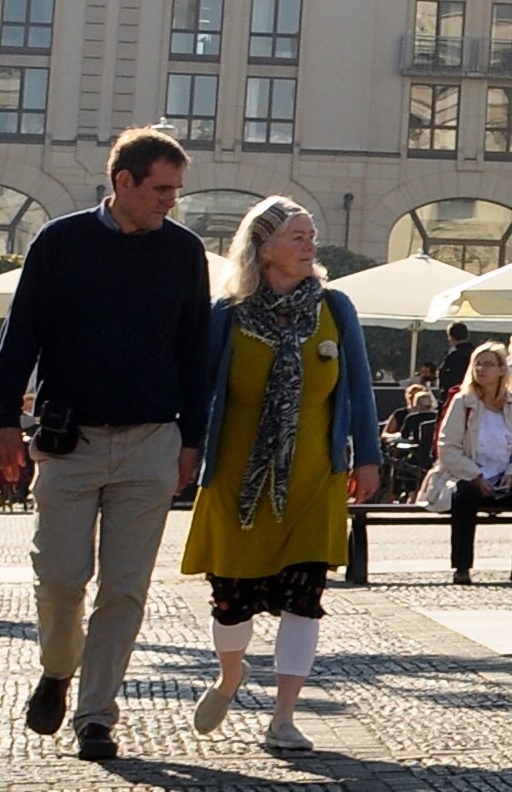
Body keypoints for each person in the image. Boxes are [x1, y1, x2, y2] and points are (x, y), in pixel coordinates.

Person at [0, 124, 212, 758]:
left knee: (124, 588)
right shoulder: (61, 242)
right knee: (59, 576)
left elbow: (197, 353)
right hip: (69, 440)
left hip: (152, 441)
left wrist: (192, 439)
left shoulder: (184, 252)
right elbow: (21, 330)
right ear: (124, 182)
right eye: (162, 189)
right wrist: (2, 414)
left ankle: (96, 715)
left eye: (176, 190)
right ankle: (58, 670)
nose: (172, 200)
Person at [179, 197, 381, 753]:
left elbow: (357, 389)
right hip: (235, 480)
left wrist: (368, 457)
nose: (310, 244)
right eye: (297, 236)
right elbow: (199, 394)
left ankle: (283, 717)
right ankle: (230, 674)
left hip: (314, 478)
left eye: (310, 234)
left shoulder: (336, 308)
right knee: (231, 598)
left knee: (304, 597)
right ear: (263, 247)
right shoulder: (228, 313)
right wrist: (188, 449)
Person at [434, 343, 512, 582]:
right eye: (477, 363)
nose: (481, 369)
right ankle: (462, 567)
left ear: (502, 370)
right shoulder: (463, 402)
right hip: (467, 475)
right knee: (465, 496)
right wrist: (475, 475)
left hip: (503, 477)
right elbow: (447, 446)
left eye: (488, 364)